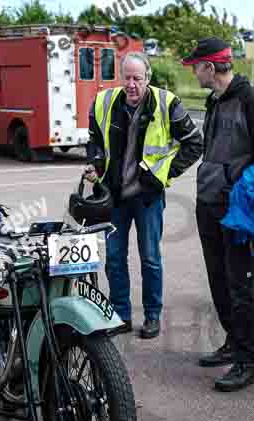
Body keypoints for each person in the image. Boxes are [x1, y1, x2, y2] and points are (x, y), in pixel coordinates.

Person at [182, 37, 254, 392]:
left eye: (196, 66)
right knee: (218, 280)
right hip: (208, 204)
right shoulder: (214, 101)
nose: (194, 72)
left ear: (210, 67)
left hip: (235, 212)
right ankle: (232, 342)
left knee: (240, 285)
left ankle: (248, 361)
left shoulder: (252, 102)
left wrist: (237, 195)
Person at [84, 52, 202, 339]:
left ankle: (152, 316)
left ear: (148, 78)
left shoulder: (166, 102)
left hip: (147, 197)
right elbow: (94, 140)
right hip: (114, 196)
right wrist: (95, 163)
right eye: (127, 77)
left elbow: (194, 143)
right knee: (113, 257)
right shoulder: (103, 101)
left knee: (149, 257)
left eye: (137, 78)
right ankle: (120, 315)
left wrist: (165, 174)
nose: (131, 84)